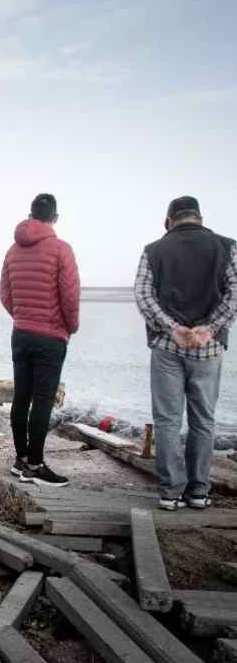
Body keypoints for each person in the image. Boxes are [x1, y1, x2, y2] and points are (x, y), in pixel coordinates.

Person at [135, 196, 237, 511]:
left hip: (168, 348)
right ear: (199, 218)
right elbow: (234, 292)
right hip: (209, 349)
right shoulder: (226, 246)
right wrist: (209, 328)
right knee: (203, 420)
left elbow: (142, 294)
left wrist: (172, 327)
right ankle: (198, 492)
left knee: (166, 420)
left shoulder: (154, 250)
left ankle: (170, 492)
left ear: (169, 221)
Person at [0, 193, 81, 486]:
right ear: (55, 218)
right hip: (50, 337)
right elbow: (70, 296)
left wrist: (22, 316)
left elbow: (5, 295)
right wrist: (69, 327)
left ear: (31, 215)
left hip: (20, 334)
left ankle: (21, 460)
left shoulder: (12, 250)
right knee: (43, 400)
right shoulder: (61, 250)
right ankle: (35, 465)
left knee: (22, 396)